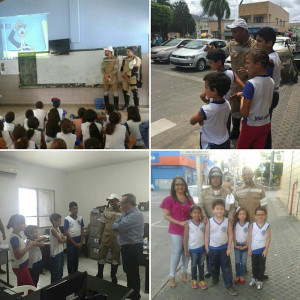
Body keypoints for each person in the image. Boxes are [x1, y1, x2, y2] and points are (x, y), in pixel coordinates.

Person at [199, 166, 235, 278]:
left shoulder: (227, 192)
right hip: (209, 224)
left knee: (224, 248)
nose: (215, 180)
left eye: (217, 177)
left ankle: (226, 271)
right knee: (209, 249)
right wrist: (204, 217)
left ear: (221, 178)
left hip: (223, 224)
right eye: (213, 177)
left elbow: (232, 207)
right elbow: (200, 207)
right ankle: (209, 269)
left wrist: (230, 217)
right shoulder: (204, 193)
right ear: (210, 179)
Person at [160, 176, 195, 288]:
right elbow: (166, 216)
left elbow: (194, 211)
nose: (180, 186)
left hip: (188, 229)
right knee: (176, 252)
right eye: (177, 184)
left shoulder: (189, 198)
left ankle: (184, 273)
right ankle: (172, 276)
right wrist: (179, 222)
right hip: (176, 230)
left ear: (185, 186)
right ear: (174, 186)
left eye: (182, 184)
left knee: (186, 251)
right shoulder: (169, 199)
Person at [236, 49, 274, 149]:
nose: (246, 66)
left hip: (250, 126)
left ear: (258, 64)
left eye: (248, 63)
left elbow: (244, 113)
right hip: (266, 124)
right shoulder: (271, 81)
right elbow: (269, 105)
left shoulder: (250, 84)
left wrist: (243, 98)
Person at [112, 193, 144, 300]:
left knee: (133, 273)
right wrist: (118, 226)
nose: (121, 205)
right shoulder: (125, 214)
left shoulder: (136, 214)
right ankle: (130, 292)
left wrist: (118, 226)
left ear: (129, 203)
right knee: (128, 272)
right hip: (126, 246)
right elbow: (114, 224)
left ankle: (135, 296)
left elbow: (119, 226)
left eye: (122, 203)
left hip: (133, 247)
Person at [204, 200, 237, 296]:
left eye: (221, 209)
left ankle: (229, 285)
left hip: (224, 249)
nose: (219, 211)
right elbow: (206, 236)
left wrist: (229, 248)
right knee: (213, 266)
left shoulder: (227, 221)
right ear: (213, 210)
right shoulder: (209, 222)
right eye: (217, 209)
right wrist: (207, 248)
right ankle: (215, 279)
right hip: (212, 249)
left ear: (224, 210)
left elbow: (230, 235)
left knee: (226, 268)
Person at [190, 72, 231, 149]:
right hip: (225, 141)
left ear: (214, 91)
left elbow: (192, 121)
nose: (205, 89)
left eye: (206, 87)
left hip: (211, 145)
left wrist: (201, 119)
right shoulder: (227, 104)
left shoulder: (206, 110)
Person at [256, 27, 281, 149]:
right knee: (265, 125)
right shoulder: (271, 55)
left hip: (269, 96)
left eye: (259, 41)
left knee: (264, 127)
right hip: (272, 95)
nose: (256, 43)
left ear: (269, 43)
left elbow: (265, 81)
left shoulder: (270, 59)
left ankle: (265, 148)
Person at [96, 194, 122, 283]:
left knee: (115, 259)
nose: (110, 203)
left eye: (112, 201)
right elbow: (101, 225)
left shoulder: (123, 212)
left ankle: (113, 275)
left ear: (117, 201)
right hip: (105, 238)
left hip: (117, 240)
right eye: (109, 201)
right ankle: (100, 273)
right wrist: (99, 236)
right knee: (101, 256)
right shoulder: (106, 211)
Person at [183, 205, 208, 290]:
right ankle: (194, 280)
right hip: (193, 250)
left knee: (201, 265)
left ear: (201, 213)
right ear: (191, 214)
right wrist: (186, 250)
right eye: (194, 213)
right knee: (193, 265)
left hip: (202, 249)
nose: (197, 214)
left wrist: (206, 247)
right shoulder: (188, 224)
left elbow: (205, 235)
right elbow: (185, 237)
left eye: (198, 213)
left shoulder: (203, 223)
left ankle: (201, 280)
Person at [7, 214, 36, 287]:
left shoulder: (18, 235)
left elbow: (20, 249)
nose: (25, 224)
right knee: (30, 287)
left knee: (22, 287)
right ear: (16, 225)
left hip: (23, 265)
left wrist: (26, 246)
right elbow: (18, 255)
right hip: (20, 267)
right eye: (23, 223)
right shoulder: (14, 238)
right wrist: (28, 246)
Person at [247, 206, 271, 290]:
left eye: (262, 215)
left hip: (262, 250)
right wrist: (249, 249)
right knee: (254, 265)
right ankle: (254, 278)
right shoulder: (252, 225)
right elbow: (249, 237)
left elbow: (268, 239)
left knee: (261, 266)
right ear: (255, 216)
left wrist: (266, 250)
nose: (260, 216)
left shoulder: (267, 226)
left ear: (265, 215)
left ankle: (260, 280)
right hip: (254, 250)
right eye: (258, 215)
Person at [64, 202, 84, 275]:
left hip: (79, 239)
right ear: (70, 210)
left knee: (76, 258)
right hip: (71, 241)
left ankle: (75, 272)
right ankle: (70, 274)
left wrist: (81, 242)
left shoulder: (80, 218)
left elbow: (82, 230)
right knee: (70, 258)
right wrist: (74, 243)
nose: (75, 210)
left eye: (76, 208)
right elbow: (66, 232)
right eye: (73, 209)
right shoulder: (67, 219)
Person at [233, 208, 250, 285]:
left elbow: (250, 236)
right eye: (240, 214)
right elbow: (233, 235)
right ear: (237, 215)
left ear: (246, 216)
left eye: (244, 214)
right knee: (237, 261)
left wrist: (247, 245)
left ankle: (242, 275)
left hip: (245, 246)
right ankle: (237, 275)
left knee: (243, 262)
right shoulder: (235, 224)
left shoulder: (249, 224)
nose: (242, 215)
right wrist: (235, 244)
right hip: (237, 245)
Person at [50, 213, 66, 283]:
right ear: (54, 221)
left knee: (60, 270)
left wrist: (63, 239)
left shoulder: (58, 229)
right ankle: (53, 288)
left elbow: (63, 238)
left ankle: (59, 285)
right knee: (55, 273)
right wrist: (64, 239)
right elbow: (61, 240)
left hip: (61, 252)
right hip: (55, 254)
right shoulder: (53, 229)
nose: (60, 222)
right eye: (59, 220)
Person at [102, 46, 120, 110]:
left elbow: (116, 69)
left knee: (115, 93)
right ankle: (107, 106)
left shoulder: (115, 59)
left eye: (106, 51)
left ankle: (116, 106)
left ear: (109, 51)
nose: (104, 52)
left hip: (113, 79)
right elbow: (102, 69)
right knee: (105, 93)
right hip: (105, 79)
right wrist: (105, 76)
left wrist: (108, 75)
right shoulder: (104, 59)